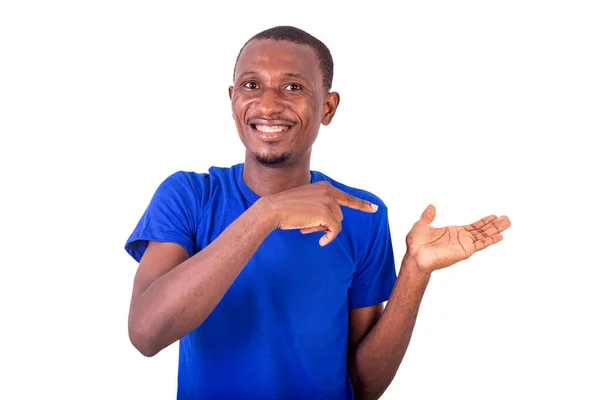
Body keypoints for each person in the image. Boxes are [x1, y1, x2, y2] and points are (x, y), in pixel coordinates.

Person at [124, 25, 511, 400]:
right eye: (251, 85)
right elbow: (146, 334)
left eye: (293, 87)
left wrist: (415, 272)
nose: (269, 104)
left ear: (327, 107)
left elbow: (363, 387)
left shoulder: (362, 214)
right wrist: (266, 215)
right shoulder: (189, 196)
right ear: (232, 99)